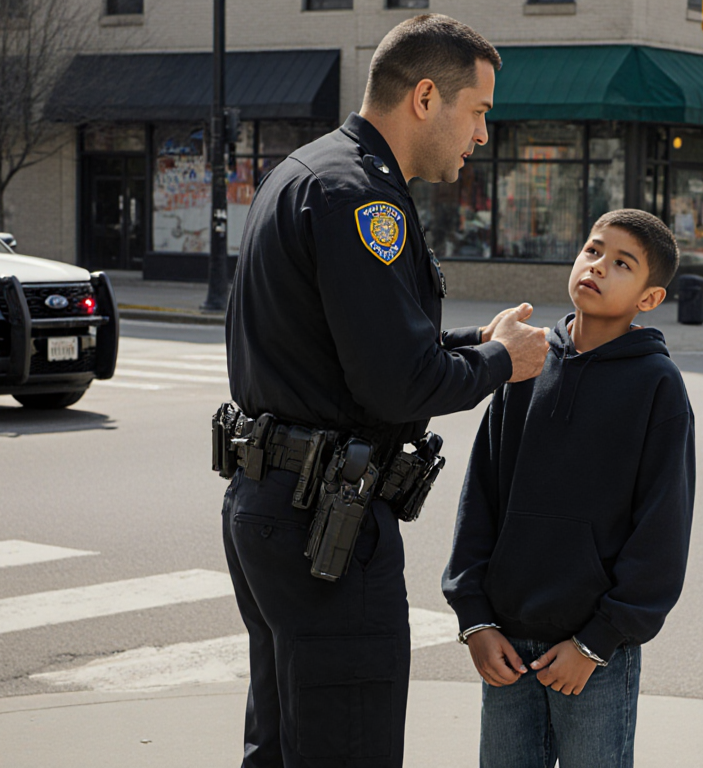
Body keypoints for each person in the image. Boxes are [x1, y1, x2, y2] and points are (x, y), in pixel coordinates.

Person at [220, 15, 549, 768]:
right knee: (347, 747)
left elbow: (355, 350)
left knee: (283, 743)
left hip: (272, 504)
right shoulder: (363, 201)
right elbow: (400, 382)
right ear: (427, 96)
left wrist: (486, 345)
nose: (483, 135)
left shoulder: (307, 171)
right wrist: (502, 364)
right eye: (479, 111)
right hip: (322, 525)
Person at [442, 209, 696, 768]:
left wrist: (598, 640)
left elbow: (663, 528)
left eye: (622, 263)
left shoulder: (658, 385)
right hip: (505, 642)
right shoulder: (527, 362)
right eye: (593, 250)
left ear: (649, 298)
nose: (599, 266)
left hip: (594, 655)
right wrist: (475, 619)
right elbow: (480, 494)